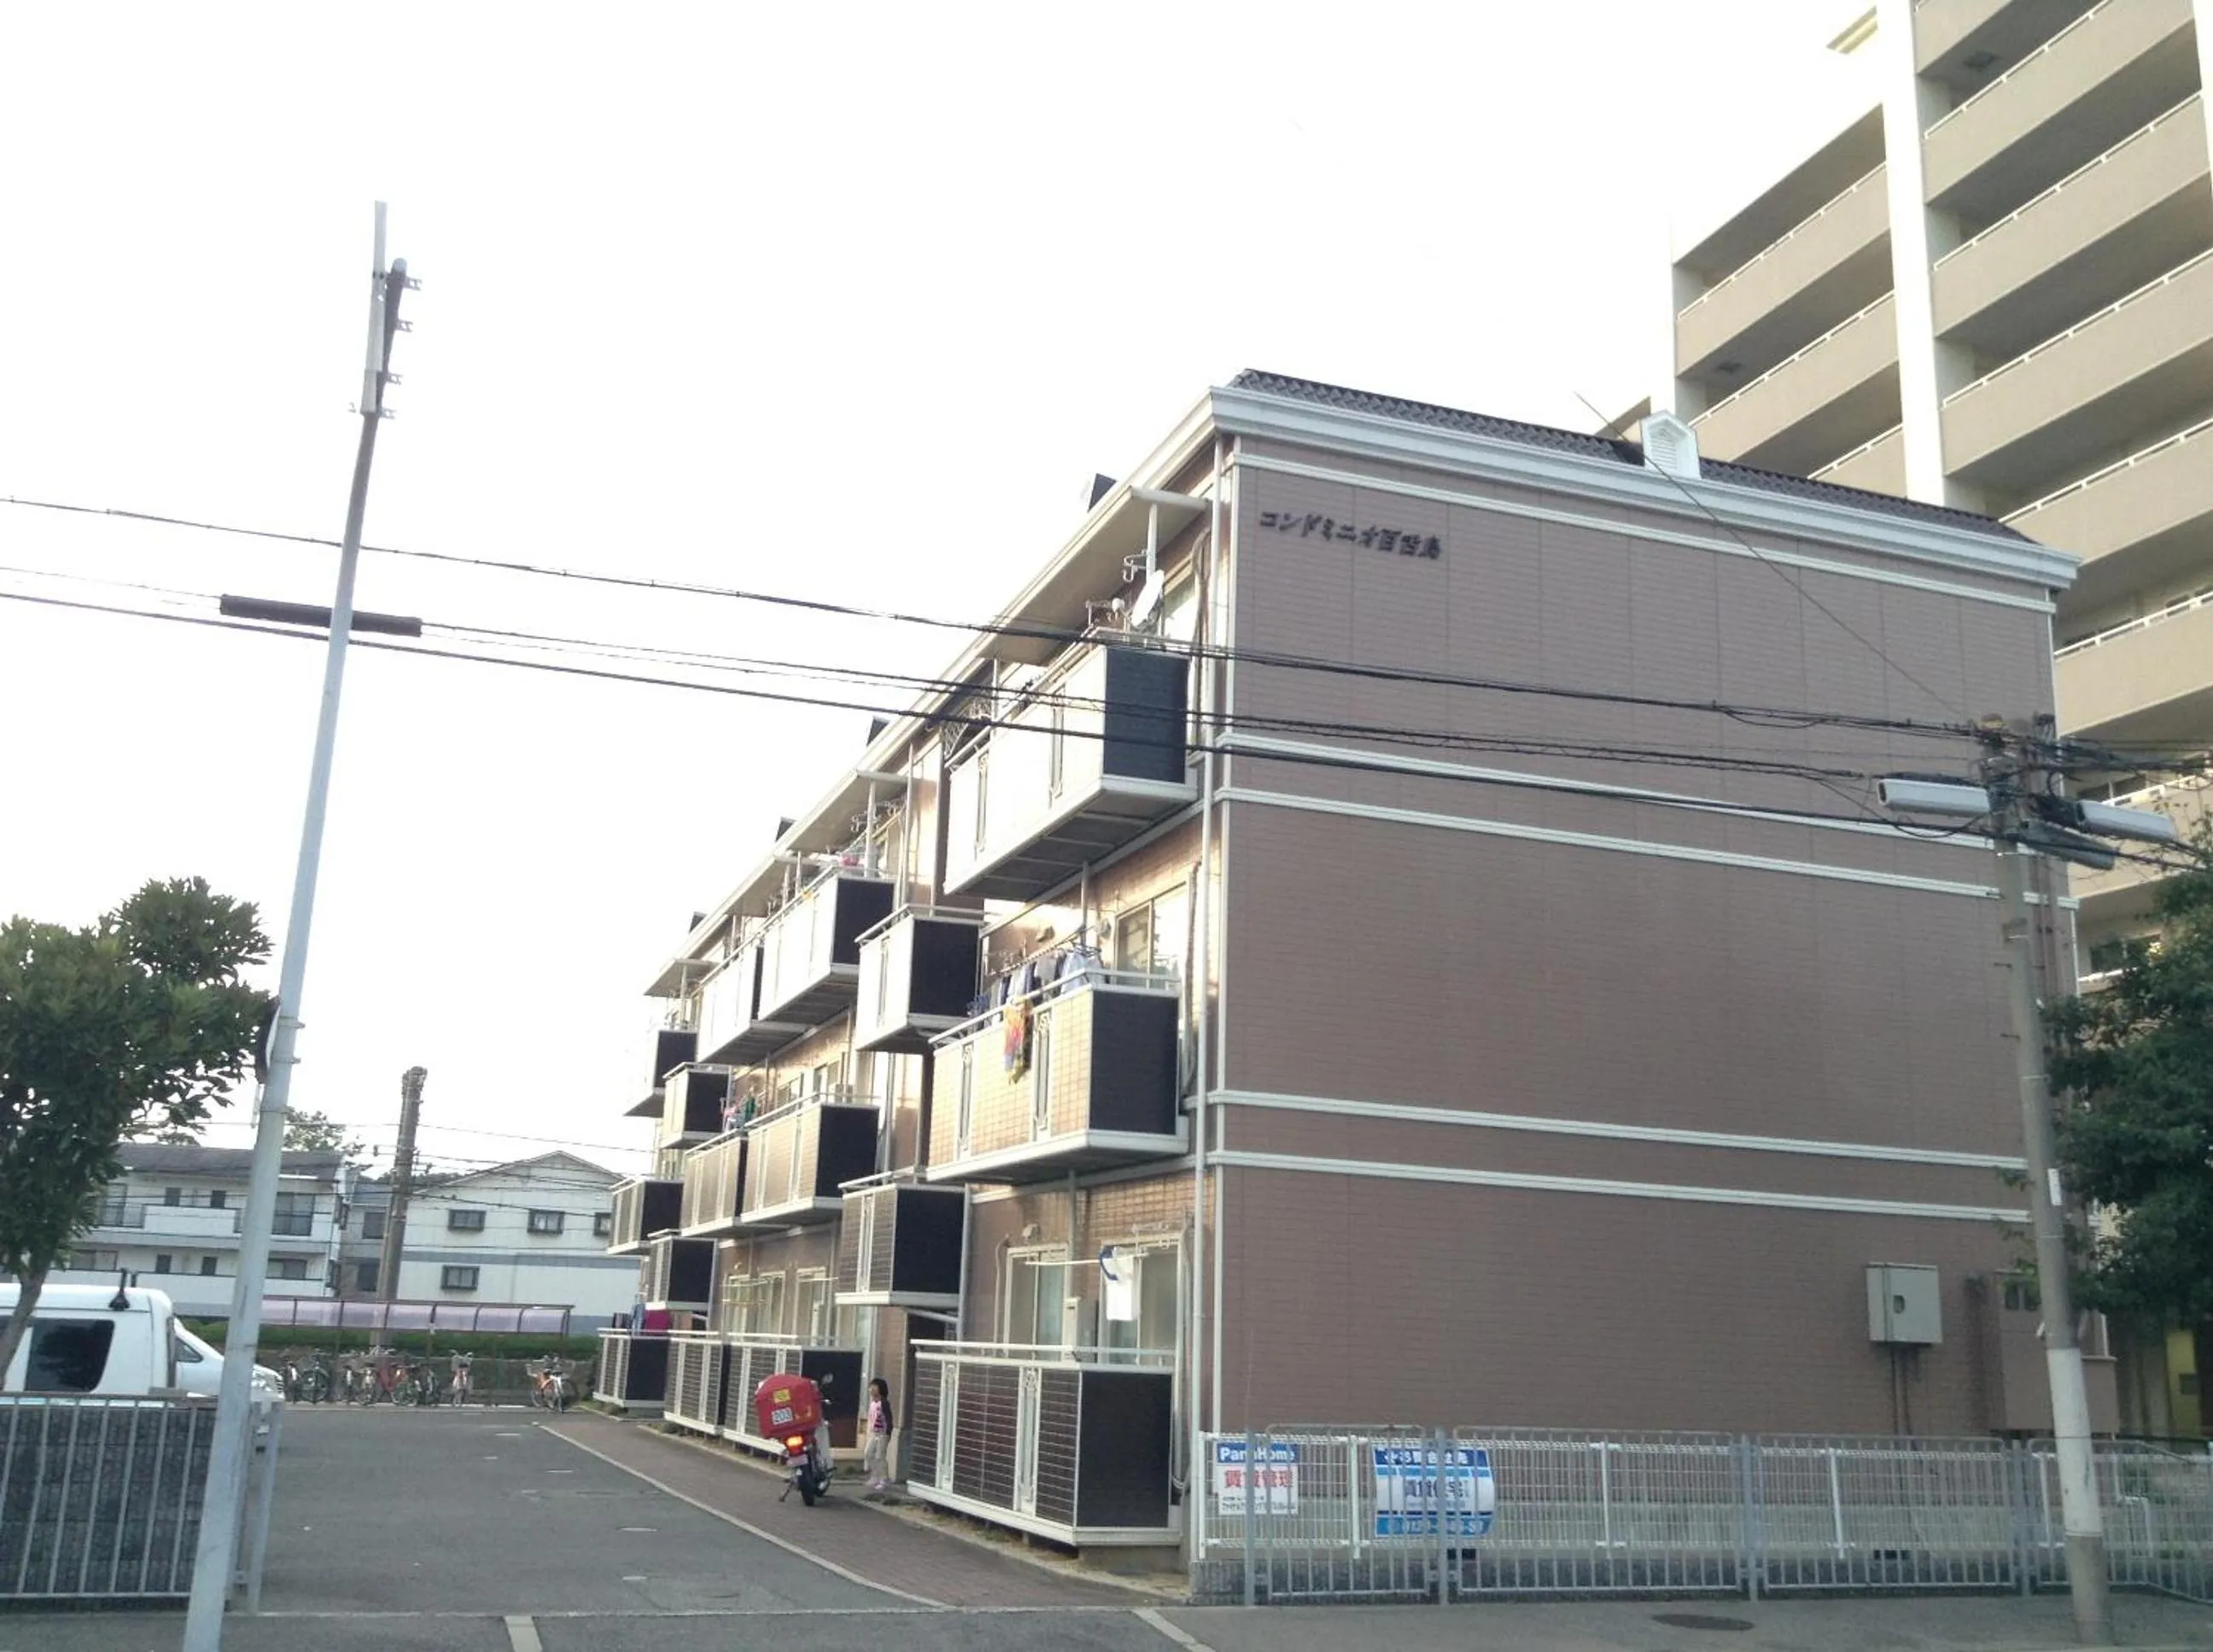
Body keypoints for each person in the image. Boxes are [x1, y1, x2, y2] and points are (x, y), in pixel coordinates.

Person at [863, 1376, 892, 1492]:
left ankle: (884, 1480)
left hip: (883, 1433)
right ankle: (875, 1476)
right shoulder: (872, 1403)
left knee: (880, 1456)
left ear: (880, 1389)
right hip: (875, 1433)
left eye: (874, 1387)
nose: (871, 1389)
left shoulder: (883, 1403)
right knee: (868, 1454)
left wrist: (887, 1433)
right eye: (871, 1387)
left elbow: (888, 1418)